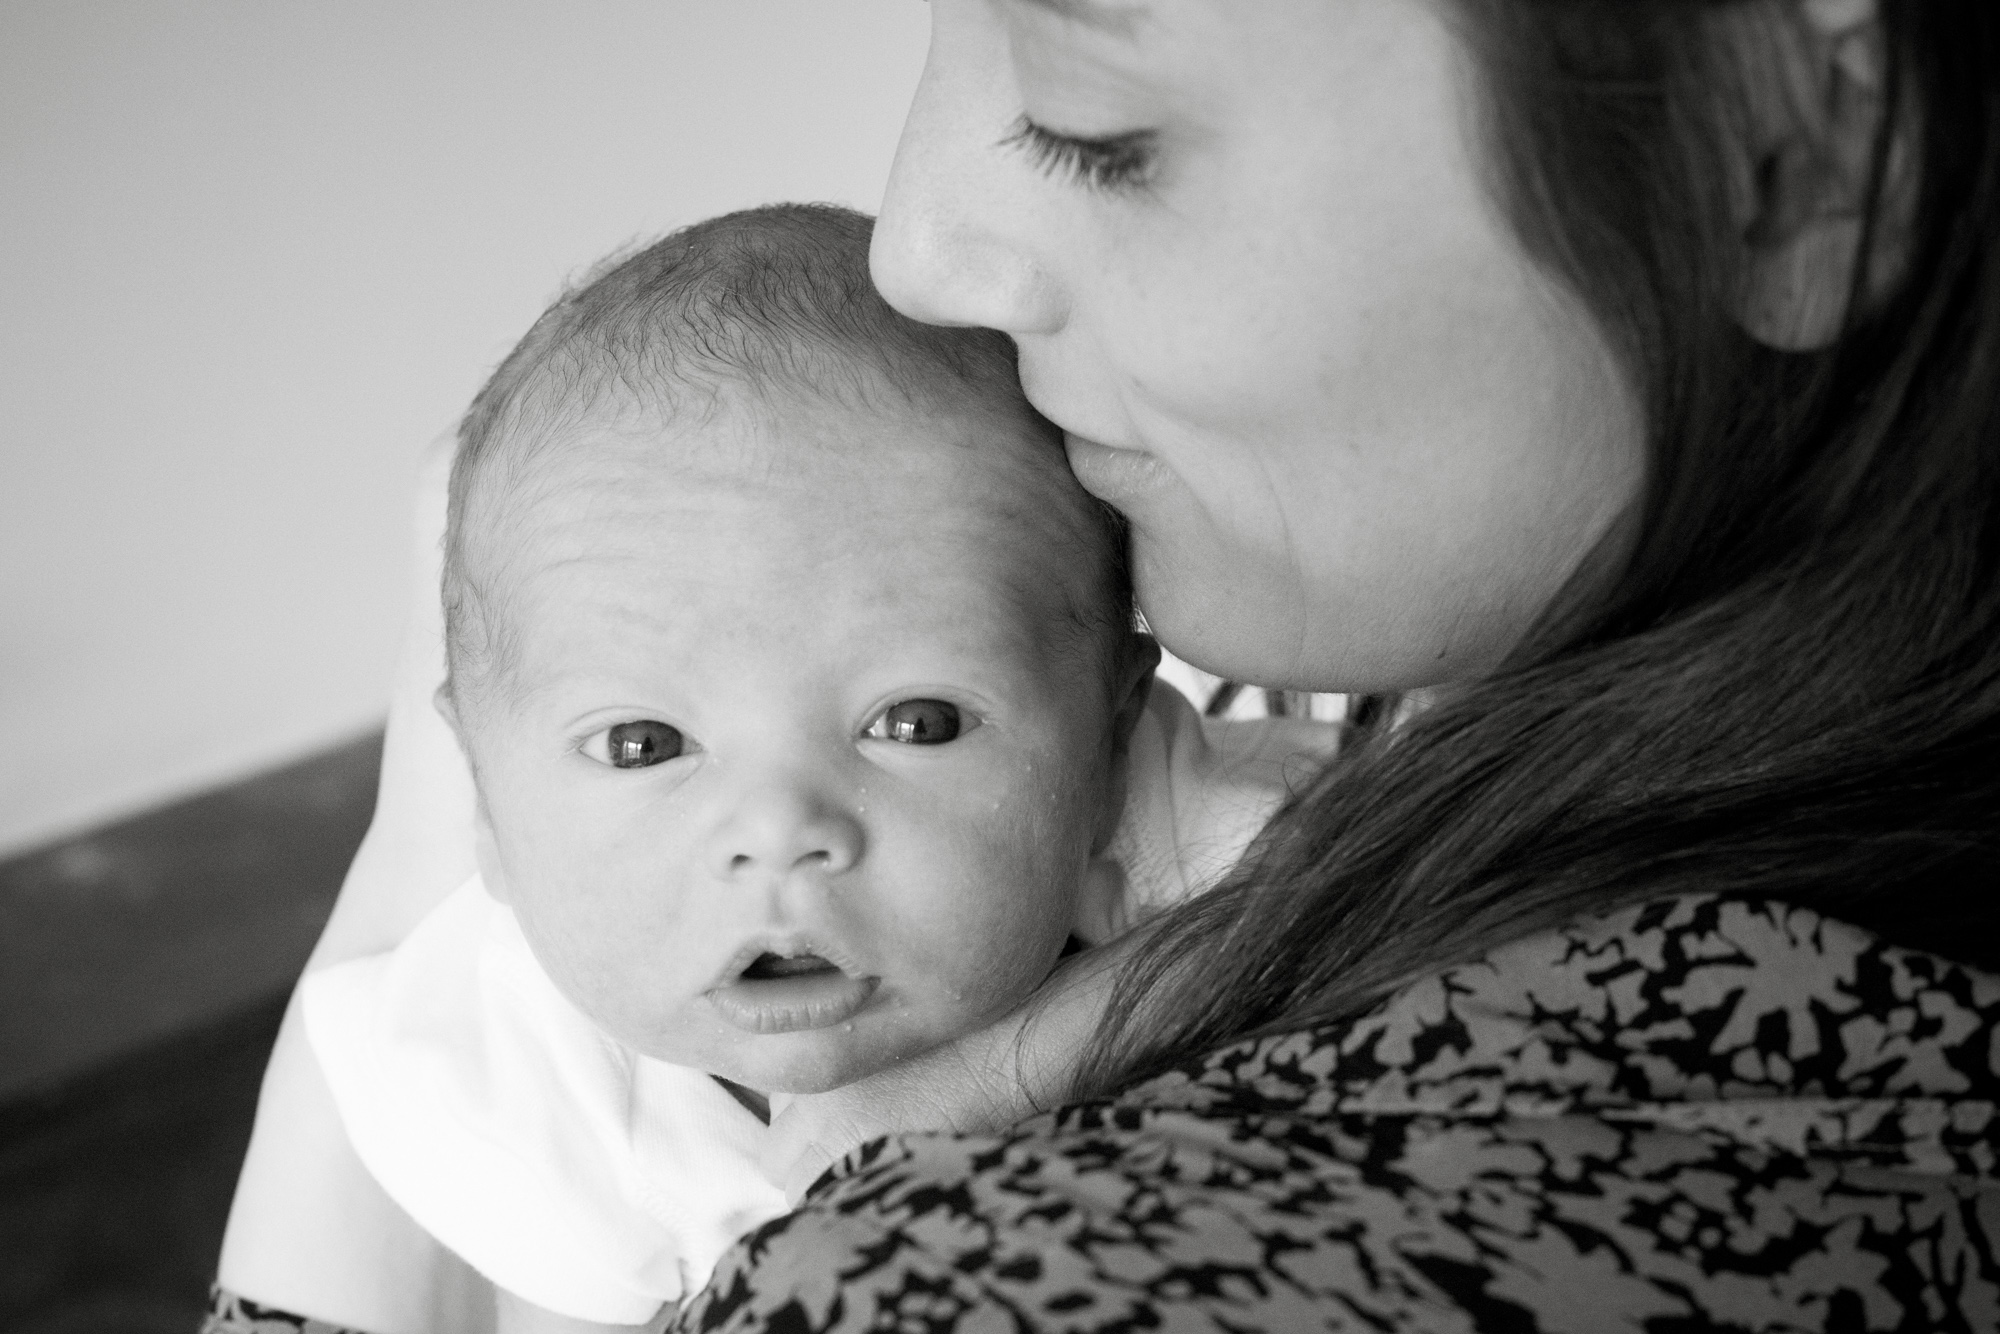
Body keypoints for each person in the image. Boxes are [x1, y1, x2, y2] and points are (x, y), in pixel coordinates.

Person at [212, 0, 2000, 1329]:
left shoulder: (1019, 1274)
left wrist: (403, 883)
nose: (919, 248)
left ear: (1801, 145)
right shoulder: (1415, 653)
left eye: (1094, 122)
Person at [294, 203, 1335, 1334]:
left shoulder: (1170, 828)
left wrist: (988, 1072)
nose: (779, 826)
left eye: (916, 719)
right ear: (487, 814)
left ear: (1105, 747)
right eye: (643, 745)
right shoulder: (519, 1079)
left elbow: (1365, 905)